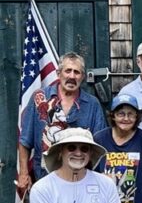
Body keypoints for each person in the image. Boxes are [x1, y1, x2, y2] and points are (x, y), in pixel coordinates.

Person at [18, 52, 108, 193]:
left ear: (82, 77)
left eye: (77, 72)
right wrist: (23, 173)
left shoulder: (92, 104)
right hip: (44, 178)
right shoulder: (39, 99)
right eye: (68, 71)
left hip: (81, 180)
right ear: (58, 73)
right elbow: (25, 141)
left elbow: (100, 144)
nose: (72, 76)